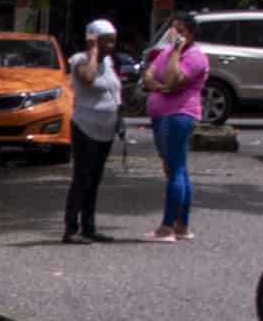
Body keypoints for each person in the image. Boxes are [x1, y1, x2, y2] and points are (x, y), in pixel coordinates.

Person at [140, 17, 211, 239]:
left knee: (176, 169)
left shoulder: (195, 57)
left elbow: (173, 79)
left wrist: (177, 52)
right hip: (161, 115)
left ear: (190, 33)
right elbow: (148, 76)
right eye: (173, 28)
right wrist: (159, 85)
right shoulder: (167, 50)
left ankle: (167, 227)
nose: (174, 34)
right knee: (176, 168)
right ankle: (182, 225)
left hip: (178, 115)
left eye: (180, 30)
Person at [62, 18, 126, 239]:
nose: (111, 46)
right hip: (85, 128)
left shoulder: (109, 63)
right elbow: (88, 78)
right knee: (82, 178)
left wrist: (119, 117)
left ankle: (89, 227)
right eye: (106, 42)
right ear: (95, 40)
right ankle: (71, 229)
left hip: (105, 130)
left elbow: (114, 91)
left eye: (113, 41)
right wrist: (92, 51)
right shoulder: (81, 60)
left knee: (95, 179)